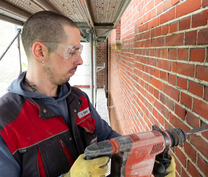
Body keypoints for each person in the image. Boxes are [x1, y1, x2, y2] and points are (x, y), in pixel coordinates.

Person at [0, 11, 120, 177]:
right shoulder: (5, 121)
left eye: (79, 50)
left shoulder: (79, 99)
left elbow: (108, 137)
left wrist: (145, 152)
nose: (80, 60)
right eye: (72, 51)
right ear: (40, 52)